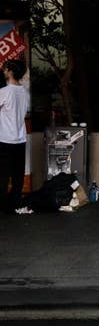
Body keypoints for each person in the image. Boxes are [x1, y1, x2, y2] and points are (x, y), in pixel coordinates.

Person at [0, 58, 30, 214]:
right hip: (20, 138)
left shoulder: (4, 92)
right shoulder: (24, 92)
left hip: (5, 138)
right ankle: (15, 203)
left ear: (10, 72)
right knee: (18, 174)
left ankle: (3, 206)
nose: (3, 71)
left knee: (3, 174)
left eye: (5, 69)